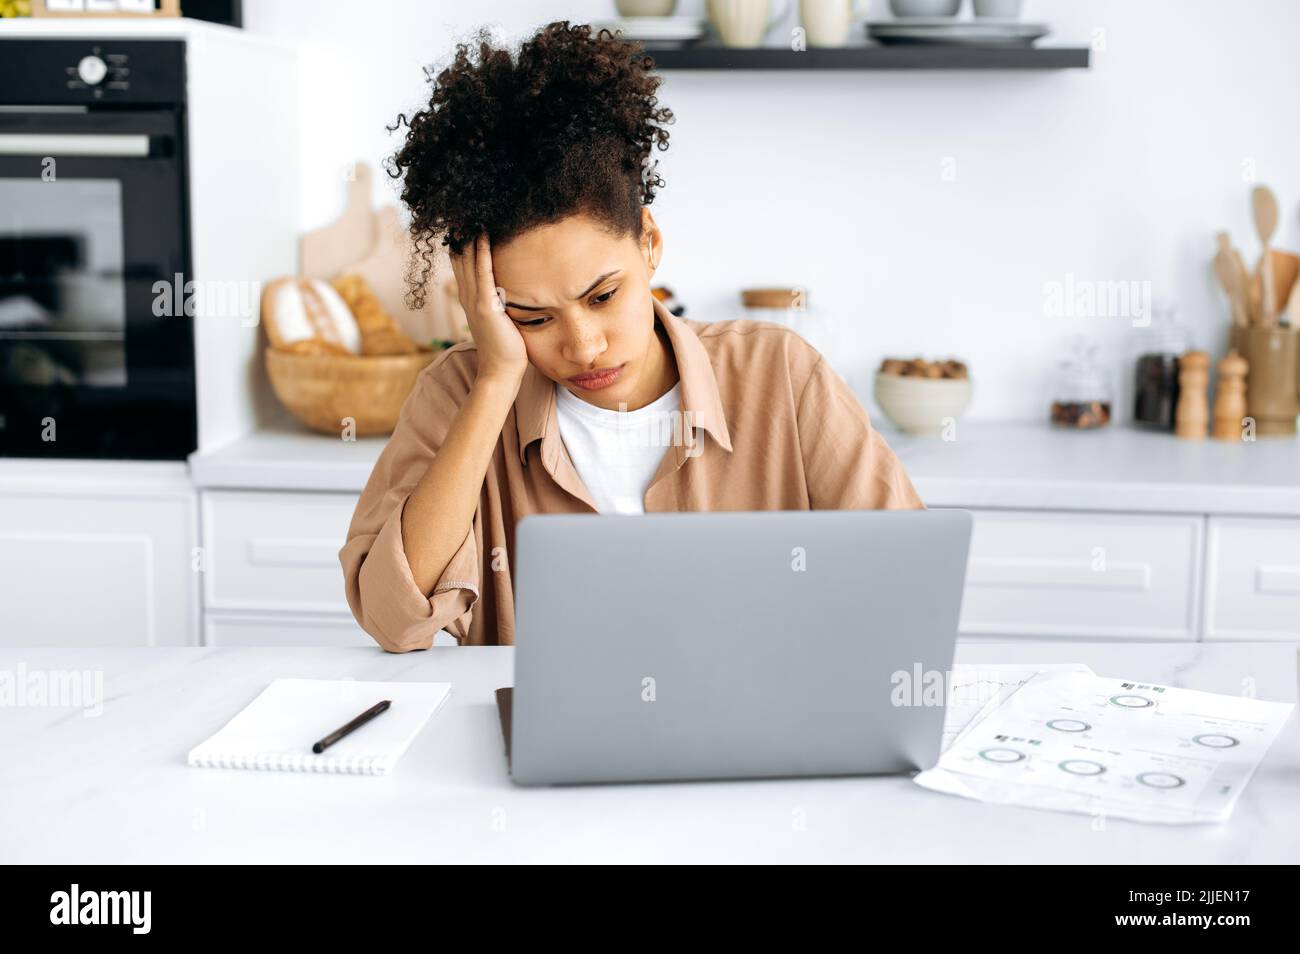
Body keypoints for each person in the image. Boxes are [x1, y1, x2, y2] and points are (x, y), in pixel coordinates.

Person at [339, 21, 922, 653]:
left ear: (650, 244)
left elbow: (905, 580)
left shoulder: (780, 371)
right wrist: (496, 381)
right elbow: (394, 620)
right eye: (532, 317)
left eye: (602, 296)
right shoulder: (459, 393)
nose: (583, 346)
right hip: (548, 749)